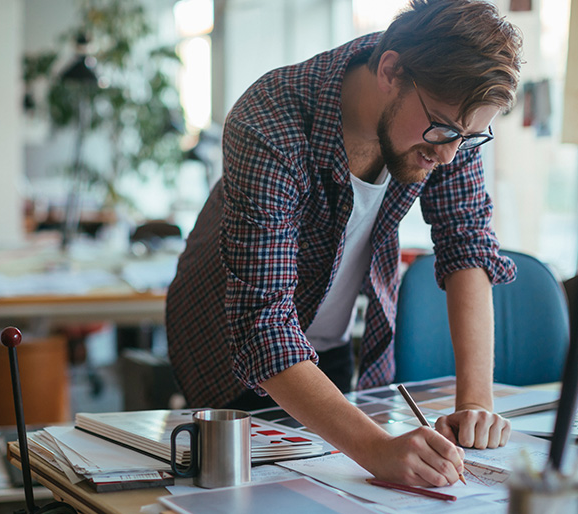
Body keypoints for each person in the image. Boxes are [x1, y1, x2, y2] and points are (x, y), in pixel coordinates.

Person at [166, 0, 522, 488]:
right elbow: (261, 324)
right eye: (441, 128)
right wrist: (375, 448)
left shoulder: (449, 123)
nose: (448, 154)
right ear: (391, 71)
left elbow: (467, 245)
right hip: (228, 352)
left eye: (469, 137)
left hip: (326, 351)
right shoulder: (270, 119)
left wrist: (476, 403)